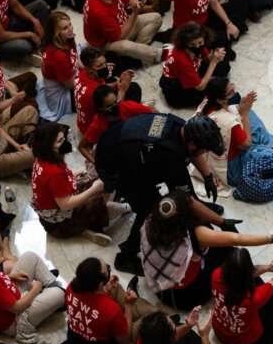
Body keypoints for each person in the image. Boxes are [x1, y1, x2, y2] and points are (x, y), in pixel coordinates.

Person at [95, 112, 231, 274]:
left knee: (183, 184)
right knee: (150, 208)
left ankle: (202, 208)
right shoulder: (169, 156)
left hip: (124, 142)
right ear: (193, 144)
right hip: (116, 165)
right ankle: (127, 256)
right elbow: (184, 199)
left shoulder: (182, 126)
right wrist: (221, 222)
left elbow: (191, 156)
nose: (204, 153)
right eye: (204, 149)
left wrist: (208, 176)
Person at [141, 190, 273, 310]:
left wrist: (222, 222)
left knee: (218, 243)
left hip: (161, 288)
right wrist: (271, 238)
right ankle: (261, 300)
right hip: (184, 298)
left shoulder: (152, 220)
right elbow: (236, 238)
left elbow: (194, 205)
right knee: (234, 256)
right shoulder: (195, 236)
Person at [0, 239, 65, 344]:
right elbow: (17, 308)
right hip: (15, 320)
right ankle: (51, 291)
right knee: (60, 294)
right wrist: (35, 289)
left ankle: (50, 292)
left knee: (30, 257)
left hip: (10, 296)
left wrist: (8, 277)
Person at [64, 257, 156, 344]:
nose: (109, 270)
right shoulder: (110, 309)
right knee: (151, 317)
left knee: (115, 287)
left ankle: (136, 305)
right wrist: (128, 305)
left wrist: (103, 290)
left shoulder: (71, 288)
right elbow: (125, 337)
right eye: (107, 269)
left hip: (78, 340)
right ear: (100, 283)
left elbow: (88, 303)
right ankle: (154, 313)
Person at [202, 78, 273, 192]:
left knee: (248, 116)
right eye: (230, 93)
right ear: (220, 100)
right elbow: (246, 144)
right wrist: (245, 114)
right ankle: (272, 147)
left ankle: (271, 144)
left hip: (214, 158)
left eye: (232, 86)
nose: (234, 92)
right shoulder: (229, 122)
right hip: (231, 170)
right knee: (251, 127)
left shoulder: (207, 105)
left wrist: (242, 110)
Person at [30, 122, 115, 245]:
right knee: (98, 199)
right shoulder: (54, 173)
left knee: (92, 181)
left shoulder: (43, 158)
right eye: (59, 141)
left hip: (50, 214)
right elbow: (65, 204)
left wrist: (71, 176)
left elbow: (52, 184)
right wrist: (94, 189)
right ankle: (84, 227)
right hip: (58, 225)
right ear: (48, 146)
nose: (65, 143)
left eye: (63, 138)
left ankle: (82, 227)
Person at [212, 247, 273, 344]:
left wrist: (267, 268)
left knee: (258, 284)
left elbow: (245, 273)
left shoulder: (216, 275)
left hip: (220, 331)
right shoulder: (253, 298)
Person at [83, 0, 162, 66]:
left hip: (122, 24)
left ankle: (136, 55)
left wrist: (136, 3)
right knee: (125, 46)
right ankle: (158, 54)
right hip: (105, 43)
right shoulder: (98, 11)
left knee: (156, 18)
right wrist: (135, 13)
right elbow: (120, 36)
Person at [74, 46, 142, 135]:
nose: (105, 67)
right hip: (94, 129)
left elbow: (102, 86)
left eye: (105, 63)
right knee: (131, 95)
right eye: (100, 65)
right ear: (90, 70)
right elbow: (115, 110)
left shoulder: (83, 73)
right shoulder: (93, 91)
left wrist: (119, 83)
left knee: (132, 87)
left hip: (85, 119)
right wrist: (122, 90)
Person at [77, 85, 154, 163]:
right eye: (109, 106)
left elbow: (153, 113)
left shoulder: (126, 106)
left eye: (116, 101)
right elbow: (82, 147)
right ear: (101, 109)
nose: (115, 106)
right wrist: (96, 163)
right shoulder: (98, 124)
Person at [160, 22, 227, 108]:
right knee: (214, 92)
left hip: (188, 71)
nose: (197, 46)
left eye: (200, 42)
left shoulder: (198, 45)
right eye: (192, 44)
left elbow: (207, 58)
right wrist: (214, 62)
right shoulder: (182, 59)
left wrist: (215, 55)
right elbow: (200, 87)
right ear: (185, 43)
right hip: (176, 90)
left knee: (223, 68)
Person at [137, 309, 214, 344]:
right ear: (170, 341)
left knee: (182, 327)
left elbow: (167, 336)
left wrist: (188, 325)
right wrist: (204, 336)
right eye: (173, 325)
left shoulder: (143, 339)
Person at [40, 11, 77, 122]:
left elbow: (76, 56)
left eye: (70, 24)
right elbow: (70, 85)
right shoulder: (58, 56)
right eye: (65, 28)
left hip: (66, 79)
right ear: (56, 33)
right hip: (61, 96)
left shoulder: (66, 39)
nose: (70, 29)